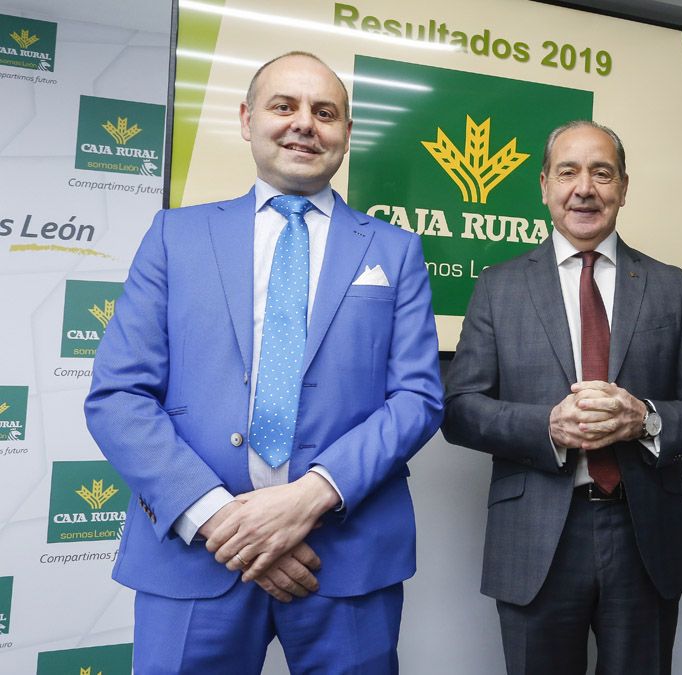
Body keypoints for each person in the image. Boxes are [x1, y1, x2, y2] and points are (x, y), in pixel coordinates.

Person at [84, 51, 443, 673]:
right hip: (195, 555)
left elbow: (417, 398)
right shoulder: (175, 236)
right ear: (248, 120)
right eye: (285, 106)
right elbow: (119, 396)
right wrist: (221, 520)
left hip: (345, 558)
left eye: (324, 112)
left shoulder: (395, 249)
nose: (305, 123)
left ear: (347, 134)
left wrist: (310, 498)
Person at [441, 120, 682, 674]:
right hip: (535, 539)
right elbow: (459, 411)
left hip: (643, 533)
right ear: (545, 185)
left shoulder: (670, 287)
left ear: (623, 187)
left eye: (602, 173)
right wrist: (546, 428)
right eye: (568, 172)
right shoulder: (498, 286)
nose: (585, 188)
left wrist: (644, 419)